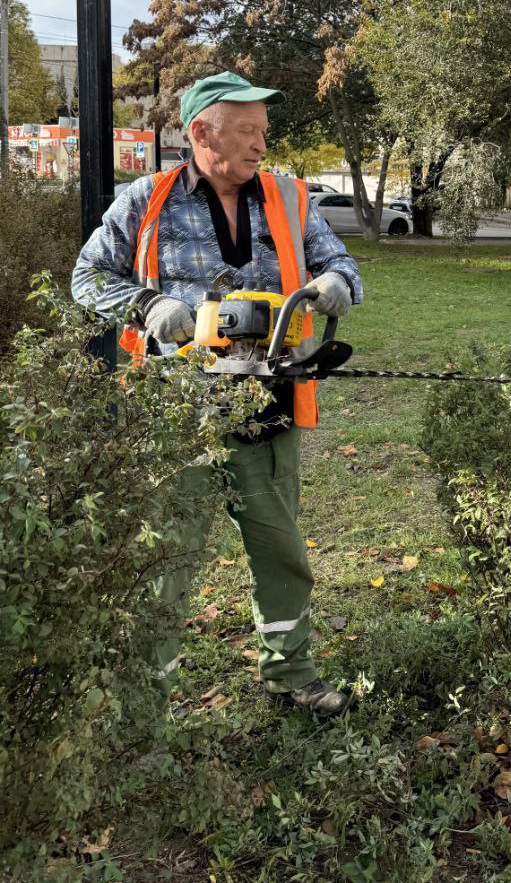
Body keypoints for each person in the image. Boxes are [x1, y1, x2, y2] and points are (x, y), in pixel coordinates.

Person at [72, 71, 363, 720]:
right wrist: (148, 303)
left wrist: (338, 280)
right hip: (177, 418)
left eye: (264, 130)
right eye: (247, 131)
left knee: (282, 553)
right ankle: (143, 700)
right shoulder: (146, 200)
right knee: (165, 560)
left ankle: (292, 675)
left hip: (270, 411)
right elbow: (86, 276)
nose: (262, 143)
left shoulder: (290, 198)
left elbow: (338, 260)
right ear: (201, 132)